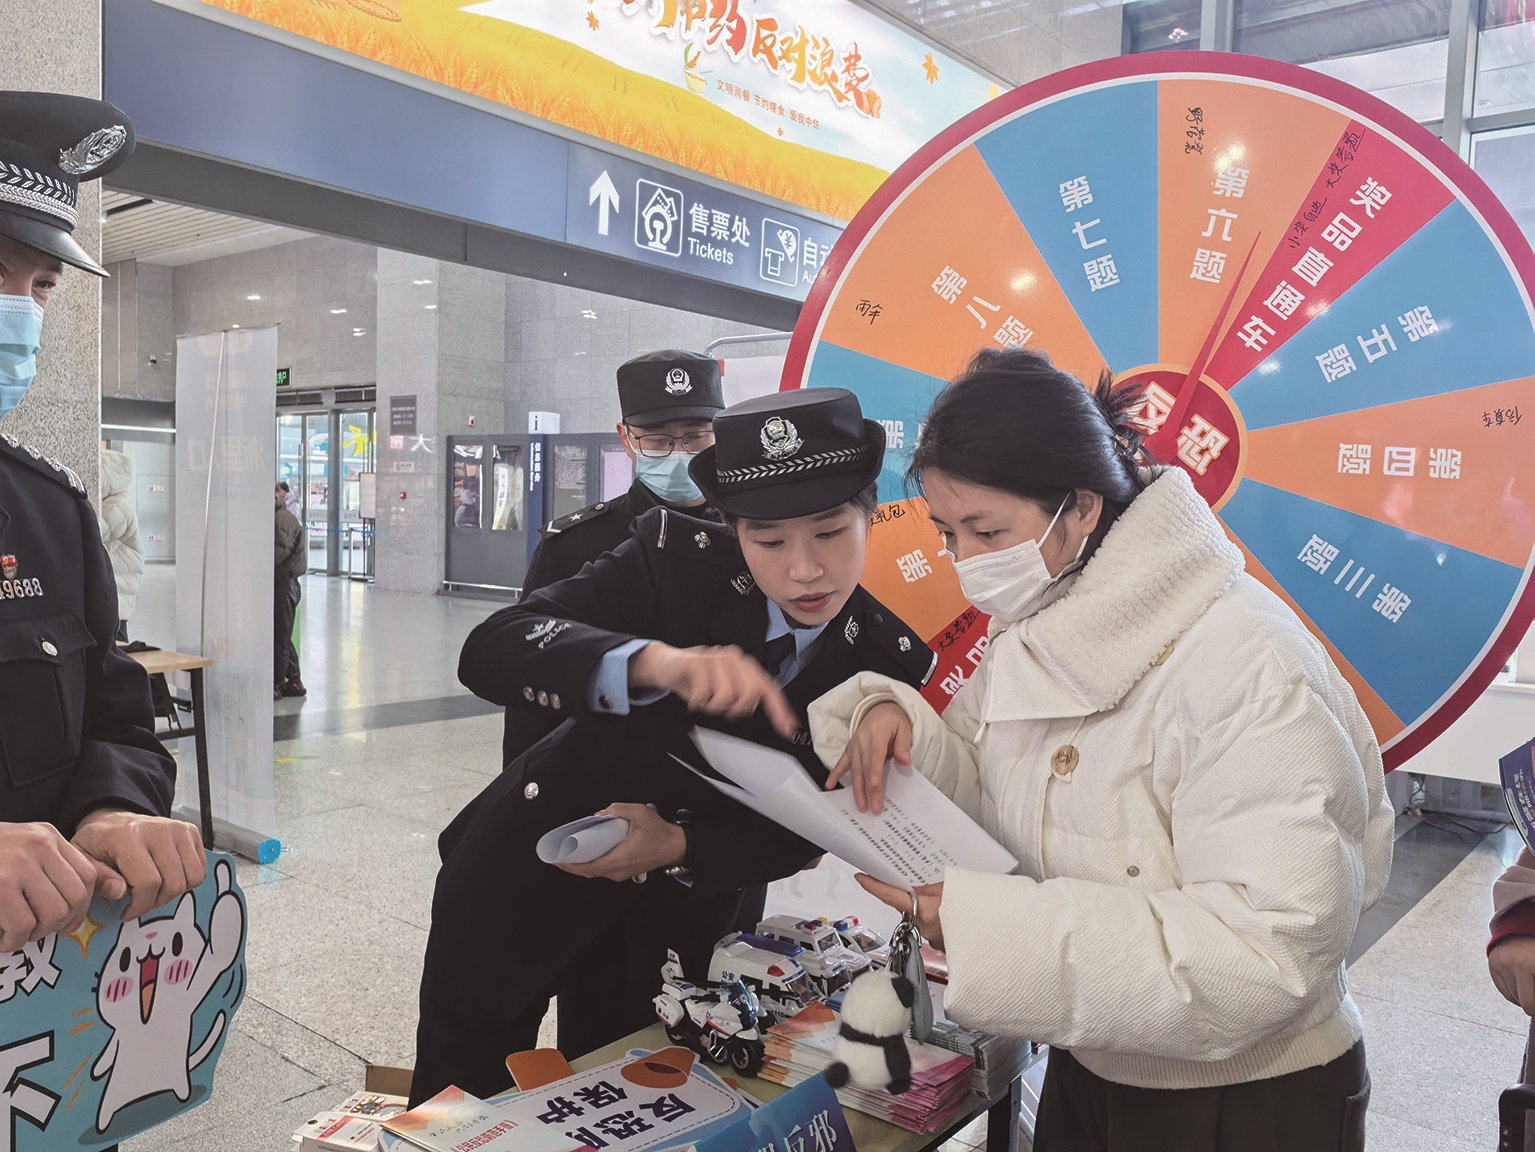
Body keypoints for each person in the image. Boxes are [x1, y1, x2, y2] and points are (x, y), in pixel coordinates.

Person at [812, 349, 1394, 1152]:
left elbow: (1268, 951)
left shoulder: (1247, 660)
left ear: (1081, 506)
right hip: (1096, 1049)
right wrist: (903, 728)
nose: (966, 562)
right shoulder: (1042, 615)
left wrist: (991, 932)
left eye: (987, 530)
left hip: (1244, 1094)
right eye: (948, 534)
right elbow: (990, 777)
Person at [412, 388, 936, 1104]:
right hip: (529, 875)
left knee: (640, 1105)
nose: (804, 570)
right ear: (733, 529)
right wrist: (650, 662)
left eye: (829, 533)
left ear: (869, 514)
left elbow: (810, 830)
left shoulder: (884, 663)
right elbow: (492, 648)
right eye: (770, 542)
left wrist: (680, 845)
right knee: (458, 1104)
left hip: (688, 919)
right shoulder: (672, 563)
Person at [0, 91, 205, 956]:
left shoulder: (49, 509)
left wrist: (113, 805)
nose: (21, 313)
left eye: (40, 287)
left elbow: (117, 718)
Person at [504, 349, 726, 767]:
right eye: (658, 440)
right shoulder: (573, 547)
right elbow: (530, 682)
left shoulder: (751, 537)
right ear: (626, 439)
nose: (680, 453)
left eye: (697, 436)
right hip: (607, 779)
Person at [99, 447, 143, 643]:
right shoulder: (109, 501)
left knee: (116, 647)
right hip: (111, 591)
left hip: (118, 592)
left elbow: (97, 529)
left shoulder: (120, 505)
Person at [274, 483, 306, 699]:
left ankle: (276, 683)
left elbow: (275, 554)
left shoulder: (281, 520)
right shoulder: (278, 517)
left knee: (279, 637)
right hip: (284, 583)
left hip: (285, 584)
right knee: (282, 635)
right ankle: (294, 680)